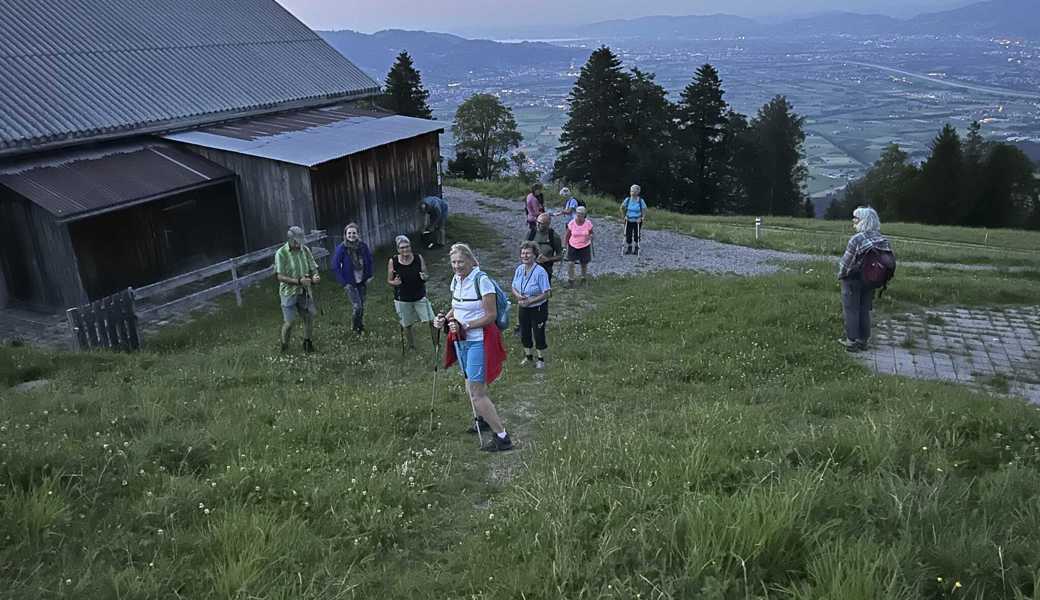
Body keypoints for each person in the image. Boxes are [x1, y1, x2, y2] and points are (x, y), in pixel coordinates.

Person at [434, 243, 513, 452]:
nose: (457, 266)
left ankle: (502, 437)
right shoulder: (457, 280)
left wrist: (467, 325)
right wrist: (444, 318)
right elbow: (457, 306)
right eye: (453, 262)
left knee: (476, 392)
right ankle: (483, 419)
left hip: (478, 340)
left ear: (470, 260)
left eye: (460, 261)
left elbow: (491, 315)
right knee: (469, 384)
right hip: (461, 339)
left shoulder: (482, 281)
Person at [837, 206, 892, 352]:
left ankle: (851, 341)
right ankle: (863, 341)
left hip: (854, 279)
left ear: (863, 221)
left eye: (856, 218)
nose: (853, 221)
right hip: (872, 280)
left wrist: (841, 275)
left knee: (851, 309)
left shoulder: (857, 239)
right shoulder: (883, 239)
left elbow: (846, 263)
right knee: (864, 309)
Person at [274, 226, 320, 353]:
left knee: (309, 317)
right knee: (290, 322)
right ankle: (284, 345)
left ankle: (307, 342)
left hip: (304, 291)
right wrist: (298, 281)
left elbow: (313, 267)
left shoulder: (305, 250)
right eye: (296, 241)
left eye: (300, 240)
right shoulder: (281, 253)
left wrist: (315, 276)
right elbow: (279, 276)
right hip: (288, 292)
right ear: (290, 240)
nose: (299, 243)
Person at [388, 234, 436, 350]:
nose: (405, 250)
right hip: (402, 298)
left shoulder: (418, 258)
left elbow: (426, 275)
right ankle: (411, 346)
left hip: (419, 296)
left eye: (407, 246)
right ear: (398, 249)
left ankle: (436, 343)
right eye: (402, 248)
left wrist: (425, 277)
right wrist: (395, 283)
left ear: (410, 247)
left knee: (432, 320)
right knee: (407, 324)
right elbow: (389, 280)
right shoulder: (393, 261)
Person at [511, 241, 551, 369]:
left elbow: (547, 293)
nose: (525, 256)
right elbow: (513, 286)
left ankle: (541, 359)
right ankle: (528, 357)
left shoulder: (540, 272)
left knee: (538, 333)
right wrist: (518, 296)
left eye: (528, 253)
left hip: (538, 308)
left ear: (535, 255)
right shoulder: (519, 269)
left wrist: (531, 301)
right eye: (523, 253)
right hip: (523, 307)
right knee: (525, 332)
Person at [332, 223, 374, 334]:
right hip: (350, 282)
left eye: (354, 233)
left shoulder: (363, 246)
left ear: (358, 234)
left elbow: (369, 261)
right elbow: (336, 266)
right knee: (357, 306)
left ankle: (360, 325)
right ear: (345, 235)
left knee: (362, 305)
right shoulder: (342, 248)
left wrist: (369, 276)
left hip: (362, 280)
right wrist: (344, 282)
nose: (351, 235)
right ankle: (356, 328)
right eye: (349, 233)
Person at [564, 206, 594, 287]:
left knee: (584, 263)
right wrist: (565, 245)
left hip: (584, 245)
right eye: (577, 214)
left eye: (580, 214)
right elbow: (567, 235)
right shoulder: (571, 223)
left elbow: (591, 232)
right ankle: (571, 280)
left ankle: (583, 279)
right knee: (570, 263)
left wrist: (591, 236)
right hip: (573, 245)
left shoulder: (588, 223)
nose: (578, 216)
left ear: (584, 215)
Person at [531, 212, 564, 282]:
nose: (538, 225)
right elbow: (522, 249)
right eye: (537, 222)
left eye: (541, 223)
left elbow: (560, 256)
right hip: (530, 267)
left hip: (545, 269)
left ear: (548, 224)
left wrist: (548, 259)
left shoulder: (554, 237)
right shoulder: (531, 234)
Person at [620, 184, 647, 255]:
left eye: (634, 191)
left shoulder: (641, 201)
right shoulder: (627, 200)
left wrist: (642, 217)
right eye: (631, 191)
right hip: (628, 219)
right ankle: (629, 248)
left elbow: (644, 209)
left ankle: (636, 248)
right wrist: (624, 216)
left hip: (637, 220)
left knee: (636, 234)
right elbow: (622, 207)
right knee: (628, 234)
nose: (632, 193)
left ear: (638, 192)